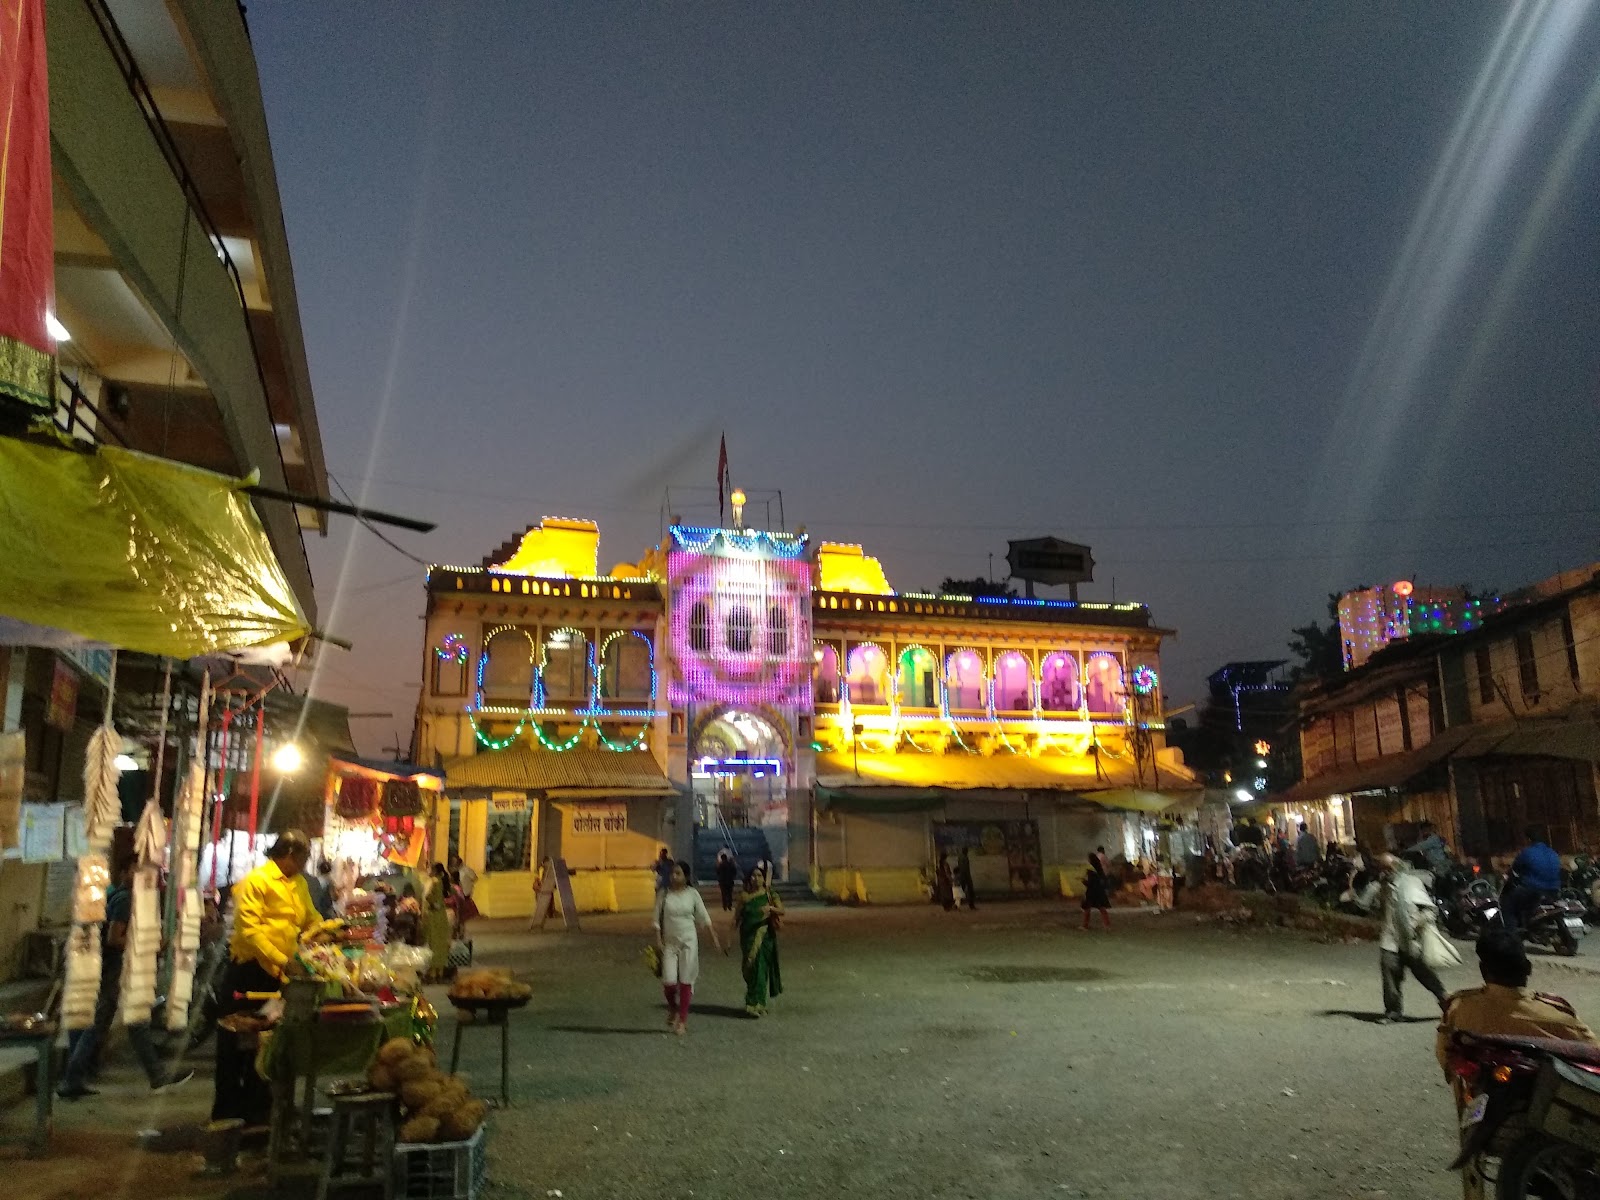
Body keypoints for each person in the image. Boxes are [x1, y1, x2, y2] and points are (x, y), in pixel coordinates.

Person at [1435, 929, 1597, 1198]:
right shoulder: (1558, 1013)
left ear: (1483, 970)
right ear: (1528, 968)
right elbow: (1593, 1055)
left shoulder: (1460, 1008)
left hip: (1492, 1127)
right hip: (1561, 1120)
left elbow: (1446, 1060)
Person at [213, 830, 331, 1124]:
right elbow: (250, 932)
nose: (305, 863)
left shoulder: (299, 883)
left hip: (279, 977)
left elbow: (310, 918)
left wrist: (326, 932)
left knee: (269, 1043)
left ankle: (261, 1110)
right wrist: (282, 960)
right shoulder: (256, 882)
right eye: (303, 857)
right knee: (237, 1045)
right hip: (249, 972)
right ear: (290, 854)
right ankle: (227, 1113)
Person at [58, 860, 193, 1099]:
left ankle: (75, 1079)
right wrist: (148, 945)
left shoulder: (119, 896)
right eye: (136, 870)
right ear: (124, 873)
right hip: (116, 969)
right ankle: (73, 1080)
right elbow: (114, 938)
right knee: (118, 1022)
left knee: (117, 1023)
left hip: (110, 968)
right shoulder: (125, 899)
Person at [651, 859, 723, 1034]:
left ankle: (682, 1020)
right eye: (672, 873)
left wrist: (713, 937)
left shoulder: (692, 894)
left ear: (686, 876)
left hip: (689, 941)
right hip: (669, 943)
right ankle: (673, 1008)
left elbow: (704, 917)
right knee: (669, 982)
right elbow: (656, 919)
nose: (674, 877)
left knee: (686, 980)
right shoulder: (664, 894)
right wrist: (658, 940)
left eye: (678, 873)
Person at [1376, 853, 1448, 1023]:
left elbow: (1430, 910)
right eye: (1382, 868)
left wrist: (1416, 921)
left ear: (1395, 866)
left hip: (1411, 938)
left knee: (1424, 973)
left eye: (1387, 868)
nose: (1384, 872)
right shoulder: (1384, 886)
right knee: (1389, 971)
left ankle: (1446, 1002)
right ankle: (1393, 1012)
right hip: (1390, 938)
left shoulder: (1411, 883)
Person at [735, 868, 784, 1016]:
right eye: (753, 875)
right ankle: (754, 1003)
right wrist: (728, 941)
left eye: (759, 875)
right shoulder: (744, 896)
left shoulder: (770, 894)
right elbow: (736, 918)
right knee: (750, 970)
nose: (756, 878)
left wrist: (770, 908)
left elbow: (782, 910)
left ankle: (756, 1004)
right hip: (747, 937)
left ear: (764, 878)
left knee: (761, 970)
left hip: (764, 936)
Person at [1503, 824, 1562, 934]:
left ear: (1529, 839)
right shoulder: (1553, 853)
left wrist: (1508, 876)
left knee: (1507, 904)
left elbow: (1515, 869)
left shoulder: (1527, 853)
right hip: (1554, 890)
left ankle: (1511, 934)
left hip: (1533, 890)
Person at [422, 863, 454, 979]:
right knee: (441, 944)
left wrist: (433, 904)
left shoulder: (433, 881)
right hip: (441, 915)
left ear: (434, 871)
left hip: (433, 916)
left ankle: (433, 972)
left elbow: (428, 896)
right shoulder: (442, 881)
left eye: (429, 869)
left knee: (433, 944)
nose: (428, 870)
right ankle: (439, 971)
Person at [1081, 850, 1112, 931]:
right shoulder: (1099, 869)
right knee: (1102, 908)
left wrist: (1084, 881)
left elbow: (1091, 883)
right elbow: (1103, 880)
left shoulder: (1090, 870)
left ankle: (1085, 925)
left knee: (1087, 909)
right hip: (1099, 891)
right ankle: (1107, 925)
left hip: (1091, 892)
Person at [956, 846, 978, 912]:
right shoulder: (965, 858)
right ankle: (971, 905)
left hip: (962, 876)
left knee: (960, 891)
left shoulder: (960, 857)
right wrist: (968, 877)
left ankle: (957, 904)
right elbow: (965, 868)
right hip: (966, 876)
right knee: (970, 891)